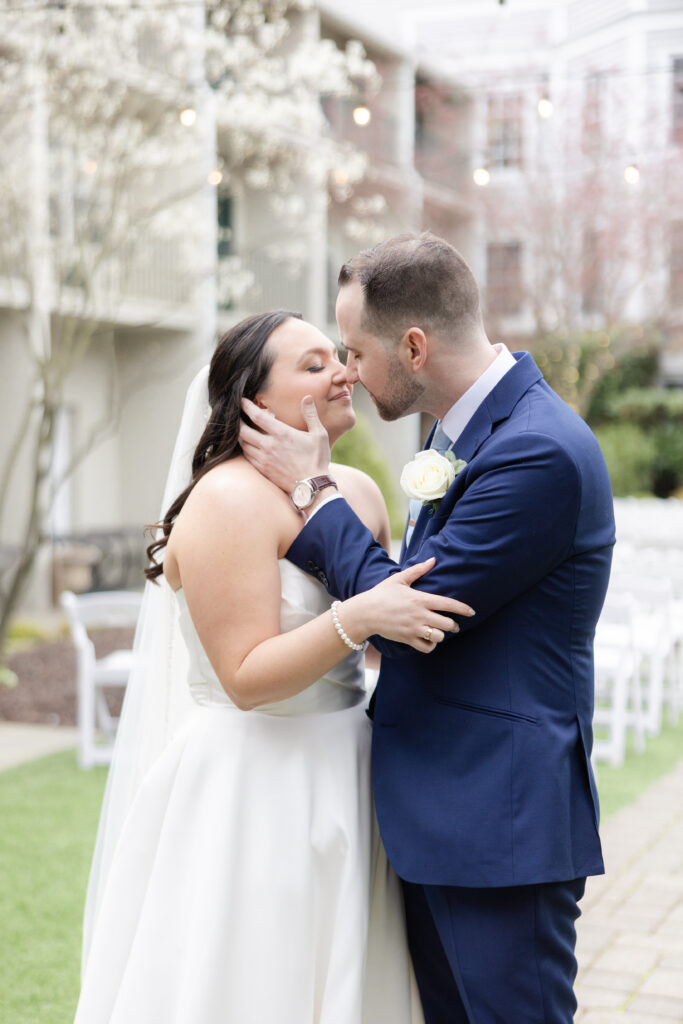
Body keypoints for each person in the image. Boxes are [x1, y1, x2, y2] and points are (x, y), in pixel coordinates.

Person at [239, 234, 616, 1024]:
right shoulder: (457, 434)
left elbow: (408, 611)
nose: (346, 372)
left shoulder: (536, 452)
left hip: (496, 822)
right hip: (444, 814)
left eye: (354, 351)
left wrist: (311, 490)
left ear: (413, 346)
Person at [74, 309, 471, 1024]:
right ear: (256, 403)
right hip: (253, 779)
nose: (344, 372)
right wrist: (358, 619)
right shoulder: (226, 499)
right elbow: (245, 677)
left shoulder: (356, 492)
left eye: (338, 357)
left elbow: (389, 619)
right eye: (314, 364)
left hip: (350, 769)